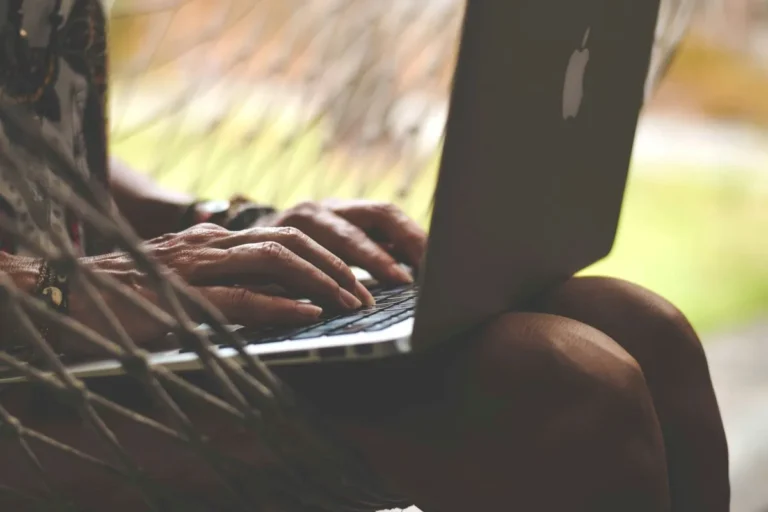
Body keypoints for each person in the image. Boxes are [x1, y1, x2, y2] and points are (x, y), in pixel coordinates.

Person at [0, 1, 729, 511]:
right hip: (24, 372)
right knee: (557, 383)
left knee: (638, 324)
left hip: (80, 327)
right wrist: (51, 289)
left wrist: (219, 223)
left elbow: (41, 143)